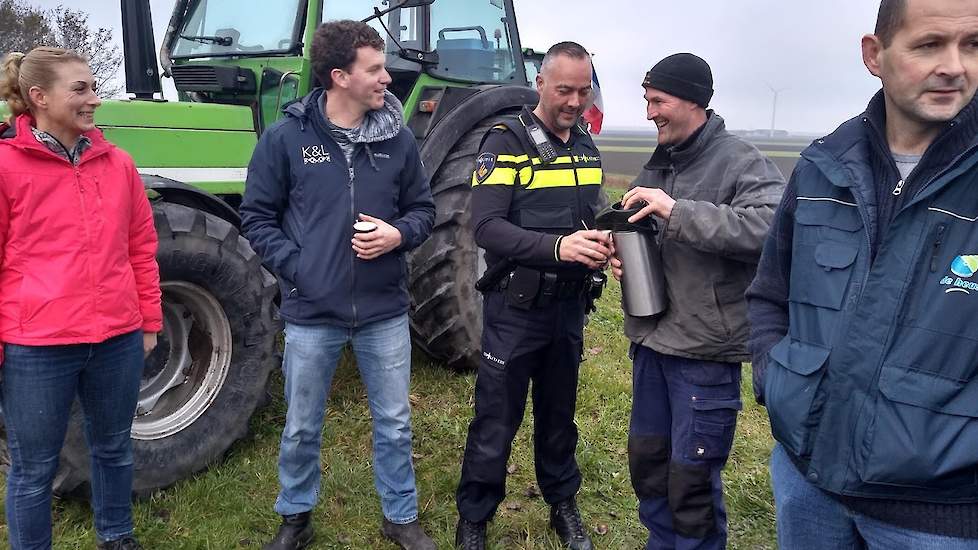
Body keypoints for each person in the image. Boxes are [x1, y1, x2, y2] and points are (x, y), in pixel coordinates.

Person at [747, 0, 978, 547]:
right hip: (808, 487)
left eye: (972, 45)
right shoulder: (823, 165)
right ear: (875, 55)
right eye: (929, 45)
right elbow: (768, 294)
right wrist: (777, 382)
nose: (955, 65)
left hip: (939, 515)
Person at [240, 19, 436, 550]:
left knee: (395, 424)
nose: (387, 79)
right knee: (302, 426)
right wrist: (299, 268)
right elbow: (257, 217)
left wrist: (398, 235)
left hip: (383, 312)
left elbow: (424, 210)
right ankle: (295, 516)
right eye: (374, 69)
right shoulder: (286, 138)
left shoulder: (399, 140)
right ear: (338, 77)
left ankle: (400, 516)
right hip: (312, 313)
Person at [609, 53, 784, 549]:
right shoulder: (659, 159)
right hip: (652, 341)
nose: (650, 113)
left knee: (691, 481)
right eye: (647, 101)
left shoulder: (741, 161)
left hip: (704, 354)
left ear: (693, 100)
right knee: (649, 465)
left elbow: (772, 228)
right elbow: (654, 233)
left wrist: (676, 211)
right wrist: (626, 254)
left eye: (658, 101)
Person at [0, 47, 161, 550]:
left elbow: (141, 247)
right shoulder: (5, 166)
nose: (95, 100)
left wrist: (149, 321)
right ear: (38, 97)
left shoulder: (118, 164)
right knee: (33, 468)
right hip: (36, 345)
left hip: (116, 337)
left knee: (113, 448)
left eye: (94, 87)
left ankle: (117, 536)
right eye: (81, 90)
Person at [454, 41, 609, 550]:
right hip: (516, 310)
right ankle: (474, 518)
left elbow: (590, 215)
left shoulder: (586, 143)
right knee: (497, 417)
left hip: (569, 309)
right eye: (564, 89)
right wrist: (559, 246)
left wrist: (608, 240)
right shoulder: (505, 142)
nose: (574, 101)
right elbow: (488, 228)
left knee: (559, 415)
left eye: (583, 91)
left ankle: (562, 505)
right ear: (540, 82)